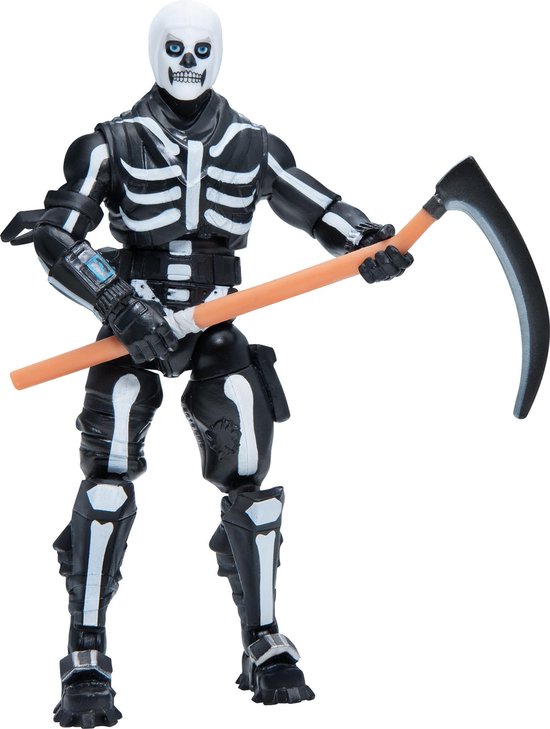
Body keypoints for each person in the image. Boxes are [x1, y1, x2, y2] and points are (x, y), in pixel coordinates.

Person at [3, 1, 412, 725]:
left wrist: (371, 242)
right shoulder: (109, 143)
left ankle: (264, 639)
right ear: (153, 52)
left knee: (247, 468)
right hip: (128, 331)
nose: (186, 63)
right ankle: (85, 649)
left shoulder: (254, 144)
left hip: (216, 324)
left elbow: (318, 206)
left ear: (217, 55)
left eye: (199, 50)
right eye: (174, 49)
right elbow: (57, 235)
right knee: (107, 476)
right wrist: (117, 301)